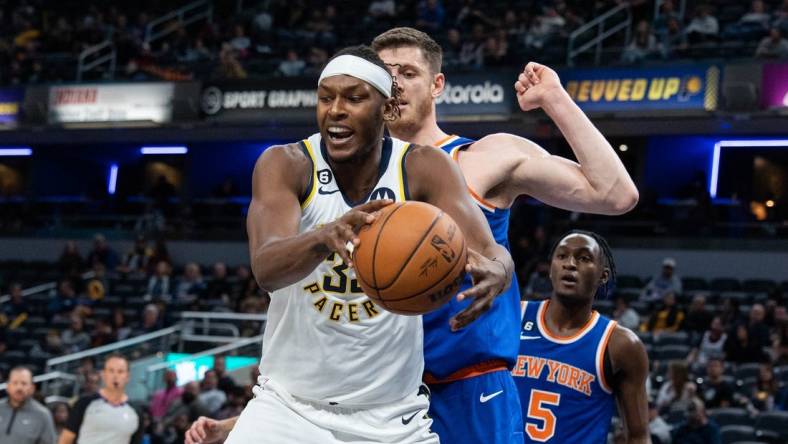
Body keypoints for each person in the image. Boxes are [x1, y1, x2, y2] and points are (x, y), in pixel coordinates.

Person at [193, 45, 512, 444]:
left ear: (386, 108)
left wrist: (497, 272)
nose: (336, 110)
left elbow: (491, 250)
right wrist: (323, 236)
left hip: (393, 416)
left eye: (354, 98)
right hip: (288, 409)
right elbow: (266, 269)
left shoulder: (423, 168)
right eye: (326, 98)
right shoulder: (288, 164)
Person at [370, 27, 638, 444]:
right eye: (385, 73)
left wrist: (554, 100)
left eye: (408, 72)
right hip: (375, 389)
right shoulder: (347, 179)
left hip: (468, 389)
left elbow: (616, 193)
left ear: (437, 84)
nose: (395, 84)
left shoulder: (483, 157)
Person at [512, 231, 649, 443]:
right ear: (551, 269)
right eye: (562, 256)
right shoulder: (513, 317)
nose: (570, 264)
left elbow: (639, 437)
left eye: (584, 258)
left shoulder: (620, 345)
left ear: (603, 276)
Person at [59, 354, 143, 444]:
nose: (115, 376)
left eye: (120, 371)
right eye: (111, 371)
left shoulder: (136, 412)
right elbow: (66, 439)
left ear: (127, 376)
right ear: (103, 374)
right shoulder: (84, 403)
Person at [0, 367, 57, 444]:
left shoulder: (43, 415)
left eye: (24, 383)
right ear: (8, 386)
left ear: (32, 388)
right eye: (15, 383)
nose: (19, 387)